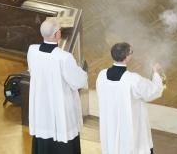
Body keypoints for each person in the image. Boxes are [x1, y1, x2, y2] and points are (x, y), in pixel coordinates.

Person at [28, 18, 88, 154]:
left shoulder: (32, 51)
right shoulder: (64, 57)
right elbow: (78, 82)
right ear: (57, 35)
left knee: (44, 136)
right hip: (60, 107)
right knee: (62, 138)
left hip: (41, 107)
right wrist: (82, 73)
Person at [96, 42, 164, 154]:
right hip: (129, 126)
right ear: (127, 57)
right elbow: (153, 91)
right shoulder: (132, 80)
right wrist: (156, 73)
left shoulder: (102, 75)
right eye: (131, 52)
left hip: (110, 123)